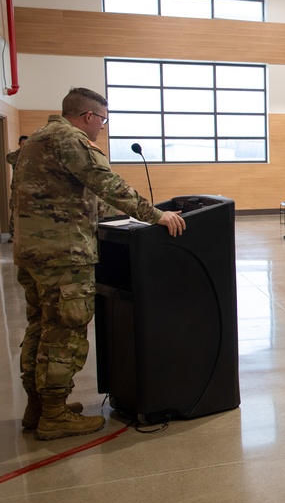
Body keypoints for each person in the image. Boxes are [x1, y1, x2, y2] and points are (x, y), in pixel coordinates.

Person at [14, 87, 185, 440]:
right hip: (63, 255)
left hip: (32, 252)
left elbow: (78, 199)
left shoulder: (38, 139)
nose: (102, 128)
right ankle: (55, 414)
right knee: (64, 331)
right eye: (102, 121)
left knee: (40, 328)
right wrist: (155, 215)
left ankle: (39, 407)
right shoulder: (70, 139)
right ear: (88, 116)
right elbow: (107, 184)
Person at [6, 134, 27, 243]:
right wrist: (21, 152)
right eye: (23, 144)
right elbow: (9, 159)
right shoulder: (15, 155)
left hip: (29, 188)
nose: (24, 146)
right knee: (14, 210)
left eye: (26, 144)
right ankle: (13, 234)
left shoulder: (32, 155)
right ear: (19, 144)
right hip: (17, 187)